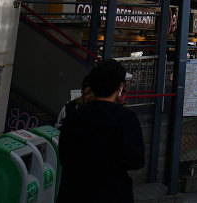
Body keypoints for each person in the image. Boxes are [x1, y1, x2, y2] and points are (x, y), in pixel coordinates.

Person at [57, 59, 145, 202]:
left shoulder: (74, 116)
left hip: (74, 192)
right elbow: (136, 161)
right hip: (112, 193)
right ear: (120, 87)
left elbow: (64, 156)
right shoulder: (127, 118)